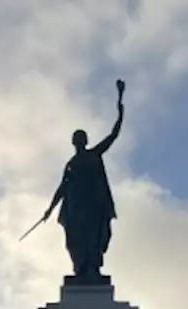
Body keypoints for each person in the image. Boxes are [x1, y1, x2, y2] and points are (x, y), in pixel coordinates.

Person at [42, 79, 126, 284]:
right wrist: (49, 209)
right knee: (76, 241)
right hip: (76, 207)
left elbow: (113, 135)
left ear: (85, 142)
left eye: (82, 138)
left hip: (94, 205)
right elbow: (62, 188)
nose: (80, 142)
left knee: (94, 238)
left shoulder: (94, 154)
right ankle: (81, 269)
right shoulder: (71, 164)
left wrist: (120, 110)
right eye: (77, 139)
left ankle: (92, 270)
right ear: (74, 143)